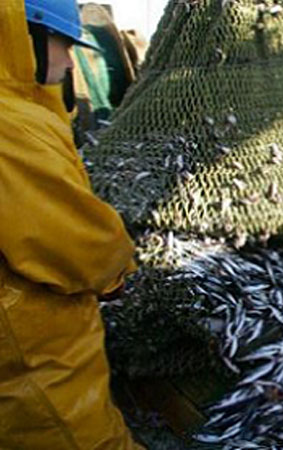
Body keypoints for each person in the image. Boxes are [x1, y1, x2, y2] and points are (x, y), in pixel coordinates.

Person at [0, 0, 142, 448]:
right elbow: (71, 241)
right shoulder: (10, 129)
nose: (69, 61)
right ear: (26, 39)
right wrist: (117, 271)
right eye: (63, 44)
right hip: (31, 366)